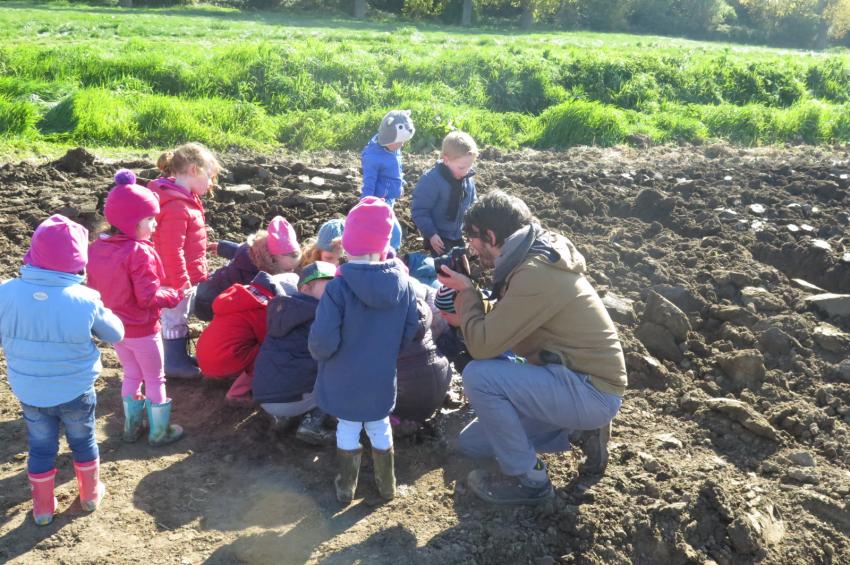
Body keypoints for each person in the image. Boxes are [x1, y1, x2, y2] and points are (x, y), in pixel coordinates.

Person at [437, 190, 627, 505]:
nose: (471, 248)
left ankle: (531, 480)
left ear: (491, 236)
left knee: (479, 376)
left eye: (472, 240)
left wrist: (468, 293)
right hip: (566, 379)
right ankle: (578, 430)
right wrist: (470, 308)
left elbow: (484, 346)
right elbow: (506, 322)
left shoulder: (535, 273)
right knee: (472, 443)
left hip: (590, 390)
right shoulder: (529, 257)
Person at [0, 215, 124, 525]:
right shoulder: (85, 299)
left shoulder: (6, 292)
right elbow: (115, 334)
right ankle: (90, 496)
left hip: (29, 389)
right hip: (75, 389)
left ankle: (42, 509)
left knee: (41, 446)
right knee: (83, 441)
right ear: (79, 262)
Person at [309, 197, 419, 504]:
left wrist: (320, 354)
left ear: (347, 246)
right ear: (382, 246)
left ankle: (346, 487)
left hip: (343, 376)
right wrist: (389, 351)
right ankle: (387, 485)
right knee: (379, 424)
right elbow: (412, 327)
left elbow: (323, 338)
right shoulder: (405, 286)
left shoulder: (337, 288)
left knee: (348, 426)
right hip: (381, 375)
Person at [88, 170, 185, 447]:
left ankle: (132, 427)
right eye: (150, 219)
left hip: (116, 329)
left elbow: (93, 287)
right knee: (155, 378)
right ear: (132, 223)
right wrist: (173, 295)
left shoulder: (97, 248)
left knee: (131, 373)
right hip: (143, 329)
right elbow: (147, 297)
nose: (155, 225)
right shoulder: (139, 251)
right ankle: (159, 432)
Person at [149, 142, 222, 379]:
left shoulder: (183, 198)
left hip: (181, 274)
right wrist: (180, 281)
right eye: (209, 176)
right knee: (174, 318)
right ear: (193, 170)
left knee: (176, 317)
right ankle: (173, 362)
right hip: (173, 278)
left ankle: (176, 357)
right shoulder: (177, 205)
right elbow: (171, 249)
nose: (211, 183)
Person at [252, 261, 338, 445]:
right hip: (292, 399)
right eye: (329, 288)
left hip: (264, 398)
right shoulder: (321, 315)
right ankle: (312, 424)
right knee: (340, 374)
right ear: (306, 288)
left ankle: (282, 418)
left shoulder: (281, 311)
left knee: (290, 365)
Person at [195, 272, 286, 404]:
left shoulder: (233, 301)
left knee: (240, 346)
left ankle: (218, 377)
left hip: (203, 358)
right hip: (223, 361)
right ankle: (238, 393)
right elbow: (267, 340)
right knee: (269, 353)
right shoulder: (259, 308)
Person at [194, 216, 302, 321]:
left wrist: (221, 247)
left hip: (212, 283)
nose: (291, 273)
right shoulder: (255, 277)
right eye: (288, 270)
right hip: (207, 301)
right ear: (271, 261)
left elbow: (238, 250)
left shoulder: (254, 251)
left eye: (293, 268)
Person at [412, 131, 478, 256]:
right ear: (446, 160)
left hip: (457, 234)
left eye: (470, 166)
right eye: (462, 167)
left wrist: (473, 234)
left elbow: (473, 205)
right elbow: (420, 210)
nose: (466, 171)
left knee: (462, 266)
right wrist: (431, 234)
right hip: (438, 236)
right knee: (444, 267)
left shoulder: (467, 179)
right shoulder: (432, 180)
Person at [360, 110, 414, 252]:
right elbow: (369, 183)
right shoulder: (373, 157)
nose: (401, 145)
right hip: (380, 200)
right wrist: (366, 205)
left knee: (384, 228)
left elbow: (397, 166)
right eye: (399, 142)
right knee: (394, 231)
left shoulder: (391, 147)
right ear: (387, 138)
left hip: (389, 196)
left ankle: (380, 248)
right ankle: (391, 253)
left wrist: (400, 183)